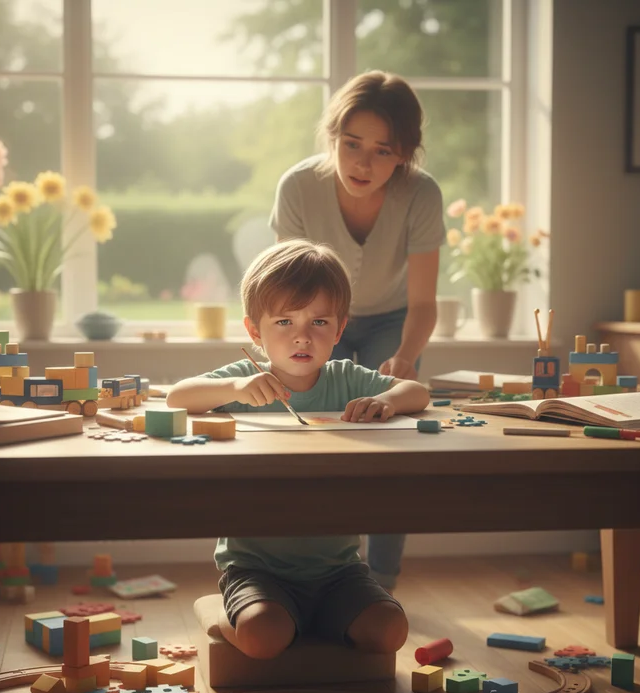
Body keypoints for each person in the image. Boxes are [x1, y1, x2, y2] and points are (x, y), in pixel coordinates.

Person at [166, 239, 430, 660]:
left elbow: (417, 391)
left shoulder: (345, 377)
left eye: (319, 322)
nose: (302, 336)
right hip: (256, 568)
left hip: (339, 569)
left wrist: (388, 401)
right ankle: (218, 612)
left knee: (391, 630)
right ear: (255, 331)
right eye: (284, 322)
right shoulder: (246, 378)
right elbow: (177, 397)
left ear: (340, 329)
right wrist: (234, 388)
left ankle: (309, 620)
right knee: (262, 636)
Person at [269, 70, 445, 590]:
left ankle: (381, 581)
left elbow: (424, 301)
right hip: (318, 317)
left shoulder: (421, 195)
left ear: (405, 154)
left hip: (394, 319)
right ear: (333, 138)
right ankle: (317, 570)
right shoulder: (299, 186)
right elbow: (285, 289)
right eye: (351, 144)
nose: (362, 163)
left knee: (391, 446)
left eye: (382, 151)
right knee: (317, 441)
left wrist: (407, 357)